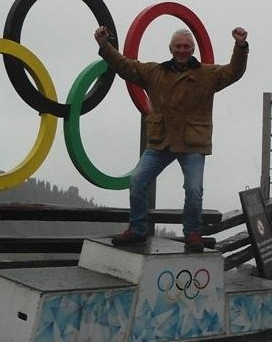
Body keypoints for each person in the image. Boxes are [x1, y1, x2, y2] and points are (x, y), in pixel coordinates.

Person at [94, 25, 249, 253]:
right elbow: (125, 67)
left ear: (193, 49)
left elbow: (234, 71)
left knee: (194, 190)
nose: (182, 50)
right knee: (137, 181)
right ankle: (137, 230)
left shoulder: (208, 74)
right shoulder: (154, 72)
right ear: (171, 49)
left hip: (192, 143)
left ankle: (193, 234)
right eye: (178, 46)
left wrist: (240, 45)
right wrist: (104, 46)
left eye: (186, 46)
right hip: (161, 141)